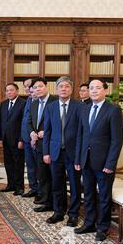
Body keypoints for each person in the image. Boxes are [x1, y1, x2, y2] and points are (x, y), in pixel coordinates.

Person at [74, 79, 123, 241]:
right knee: (88, 194)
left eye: (97, 88)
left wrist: (110, 164)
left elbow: (117, 140)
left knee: (103, 196)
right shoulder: (84, 109)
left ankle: (102, 227)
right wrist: (78, 158)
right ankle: (89, 223)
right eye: (91, 88)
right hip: (86, 160)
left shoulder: (113, 110)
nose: (94, 91)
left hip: (104, 164)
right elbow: (80, 136)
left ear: (105, 91)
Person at [43, 76, 82, 227]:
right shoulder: (50, 107)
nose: (64, 89)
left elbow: (81, 132)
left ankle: (73, 214)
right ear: (56, 89)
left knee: (74, 185)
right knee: (56, 184)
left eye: (67, 86)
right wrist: (46, 152)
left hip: (73, 153)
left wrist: (80, 155)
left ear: (71, 90)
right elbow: (47, 131)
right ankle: (58, 212)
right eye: (61, 87)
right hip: (55, 152)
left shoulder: (79, 107)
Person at [27, 77, 57, 212]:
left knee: (54, 175)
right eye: (35, 87)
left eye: (40, 86)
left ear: (47, 86)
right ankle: (46, 201)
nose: (37, 89)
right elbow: (29, 121)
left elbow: (61, 123)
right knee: (42, 174)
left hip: (53, 144)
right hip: (39, 145)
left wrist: (48, 131)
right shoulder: (34, 103)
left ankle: (55, 203)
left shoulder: (55, 101)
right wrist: (32, 132)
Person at [0, 83, 26, 195]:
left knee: (18, 164)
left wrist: (21, 139)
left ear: (17, 91)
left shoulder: (23, 104)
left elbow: (24, 123)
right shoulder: (3, 104)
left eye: (11, 90)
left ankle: (19, 187)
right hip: (5, 139)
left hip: (17, 140)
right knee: (8, 163)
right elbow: (1, 123)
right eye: (7, 90)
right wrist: (0, 138)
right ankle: (10, 184)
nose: (9, 92)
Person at [21, 79, 39, 198]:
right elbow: (25, 120)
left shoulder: (41, 101)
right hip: (27, 139)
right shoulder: (28, 100)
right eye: (25, 86)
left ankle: (41, 191)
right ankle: (33, 188)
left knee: (39, 167)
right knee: (30, 166)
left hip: (37, 139)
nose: (27, 88)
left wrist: (34, 135)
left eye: (29, 86)